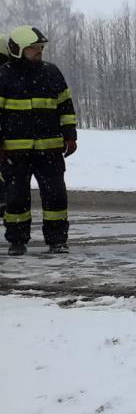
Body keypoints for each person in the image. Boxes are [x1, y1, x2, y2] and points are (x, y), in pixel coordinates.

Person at [0, 26, 78, 255]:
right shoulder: (3, 76)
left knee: (55, 195)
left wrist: (70, 135)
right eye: (33, 49)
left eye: (40, 49)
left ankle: (57, 239)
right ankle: (17, 239)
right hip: (14, 152)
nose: (39, 52)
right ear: (17, 49)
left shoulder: (51, 73)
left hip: (50, 149)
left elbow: (65, 106)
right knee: (15, 199)